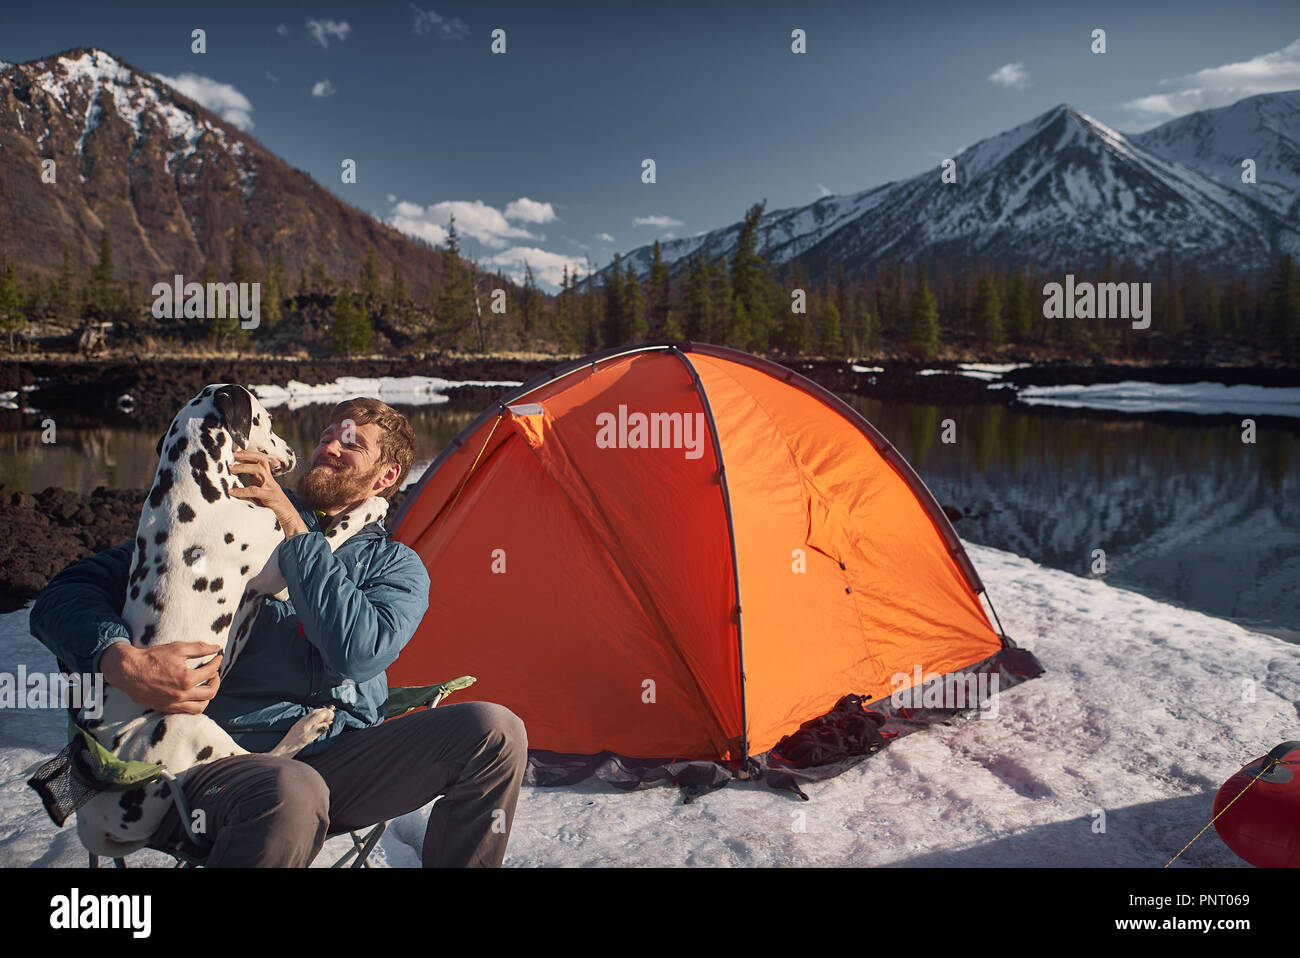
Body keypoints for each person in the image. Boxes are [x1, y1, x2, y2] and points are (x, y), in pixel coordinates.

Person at [30, 397, 527, 867]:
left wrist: (296, 531)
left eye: (352, 444)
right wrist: (120, 660)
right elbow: (64, 594)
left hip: (343, 758)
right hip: (215, 767)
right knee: (291, 787)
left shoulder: (395, 566)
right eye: (328, 435)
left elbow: (357, 651)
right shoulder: (232, 520)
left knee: (494, 732)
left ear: (387, 476)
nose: (329, 446)